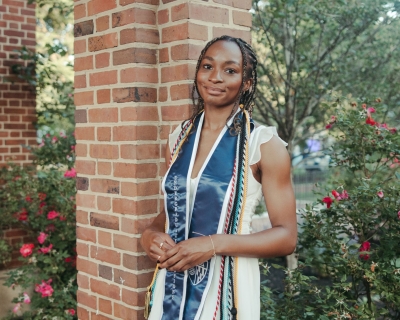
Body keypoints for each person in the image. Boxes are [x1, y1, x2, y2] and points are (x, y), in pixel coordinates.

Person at [140, 35, 297, 320]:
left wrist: (212, 244)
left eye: (230, 70)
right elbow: (171, 212)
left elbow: (286, 237)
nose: (215, 78)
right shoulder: (179, 138)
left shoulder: (263, 145)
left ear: (247, 82)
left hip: (230, 284)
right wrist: (149, 235)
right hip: (173, 283)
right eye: (208, 67)